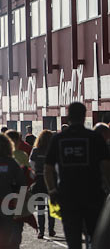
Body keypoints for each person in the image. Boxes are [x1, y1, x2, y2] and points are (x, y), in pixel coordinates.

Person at [44, 102, 110, 249]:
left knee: (73, 239)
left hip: (67, 196)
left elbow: (47, 168)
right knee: (95, 237)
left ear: (68, 117)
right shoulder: (94, 138)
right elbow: (106, 166)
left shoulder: (58, 139)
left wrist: (52, 190)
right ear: (84, 116)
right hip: (93, 194)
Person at [29, 130, 55, 239]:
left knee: (40, 207)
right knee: (52, 207)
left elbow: (32, 165)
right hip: (51, 180)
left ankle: (41, 231)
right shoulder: (53, 150)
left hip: (39, 179)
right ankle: (51, 229)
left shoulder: (35, 150)